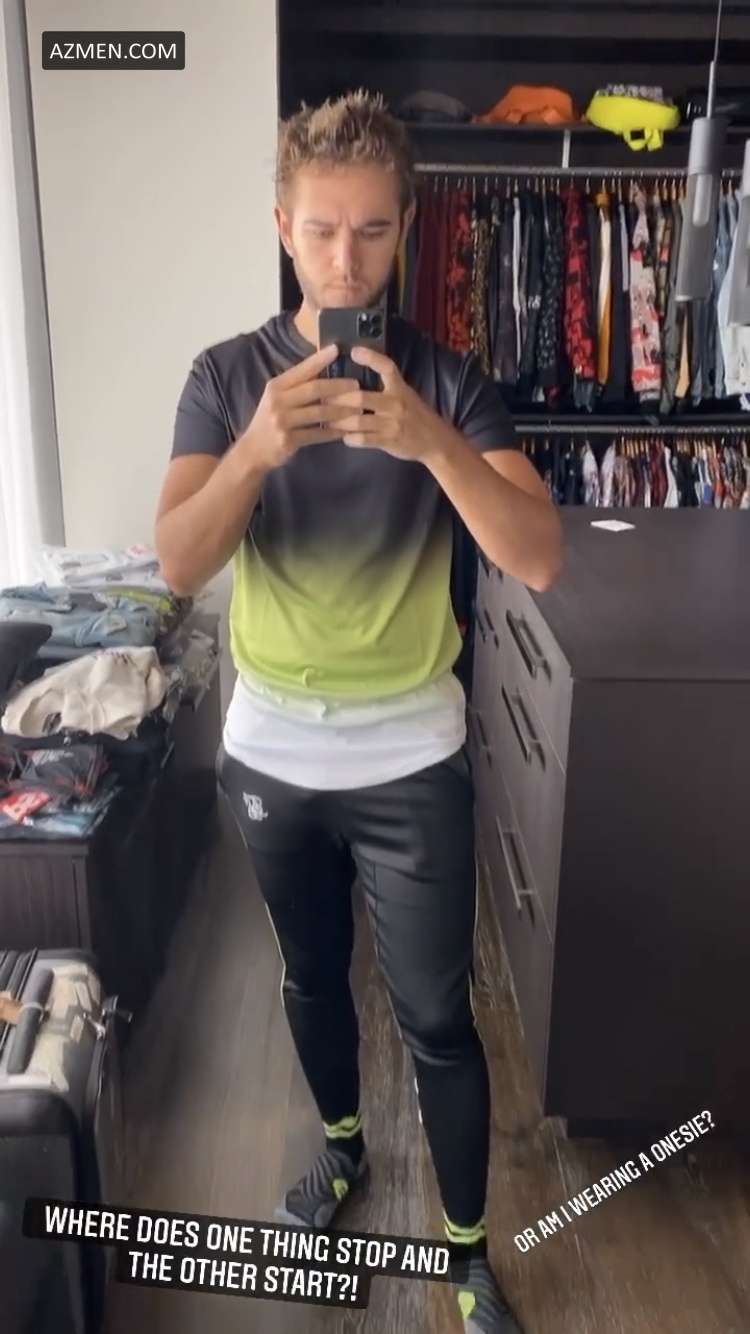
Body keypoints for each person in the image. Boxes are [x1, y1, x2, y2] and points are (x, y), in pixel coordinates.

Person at [154, 89, 562, 1334]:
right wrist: (256, 451)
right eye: (324, 231)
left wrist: (433, 441)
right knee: (310, 976)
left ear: (405, 228)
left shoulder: (447, 379)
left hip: (413, 752)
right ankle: (341, 1145)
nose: (347, 261)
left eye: (373, 231)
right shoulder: (225, 378)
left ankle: (468, 1250)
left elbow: (539, 555)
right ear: (284, 225)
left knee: (437, 1014)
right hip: (270, 750)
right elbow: (177, 562)